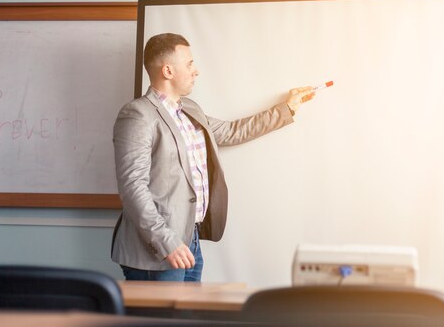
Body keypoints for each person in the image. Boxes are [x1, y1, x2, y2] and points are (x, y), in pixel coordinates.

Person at [111, 33, 314, 281]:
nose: (196, 71)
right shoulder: (138, 115)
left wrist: (287, 108)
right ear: (167, 71)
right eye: (189, 64)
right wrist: (167, 242)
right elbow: (132, 187)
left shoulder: (190, 109)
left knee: (189, 319)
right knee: (163, 320)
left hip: (190, 241)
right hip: (157, 250)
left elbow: (232, 131)